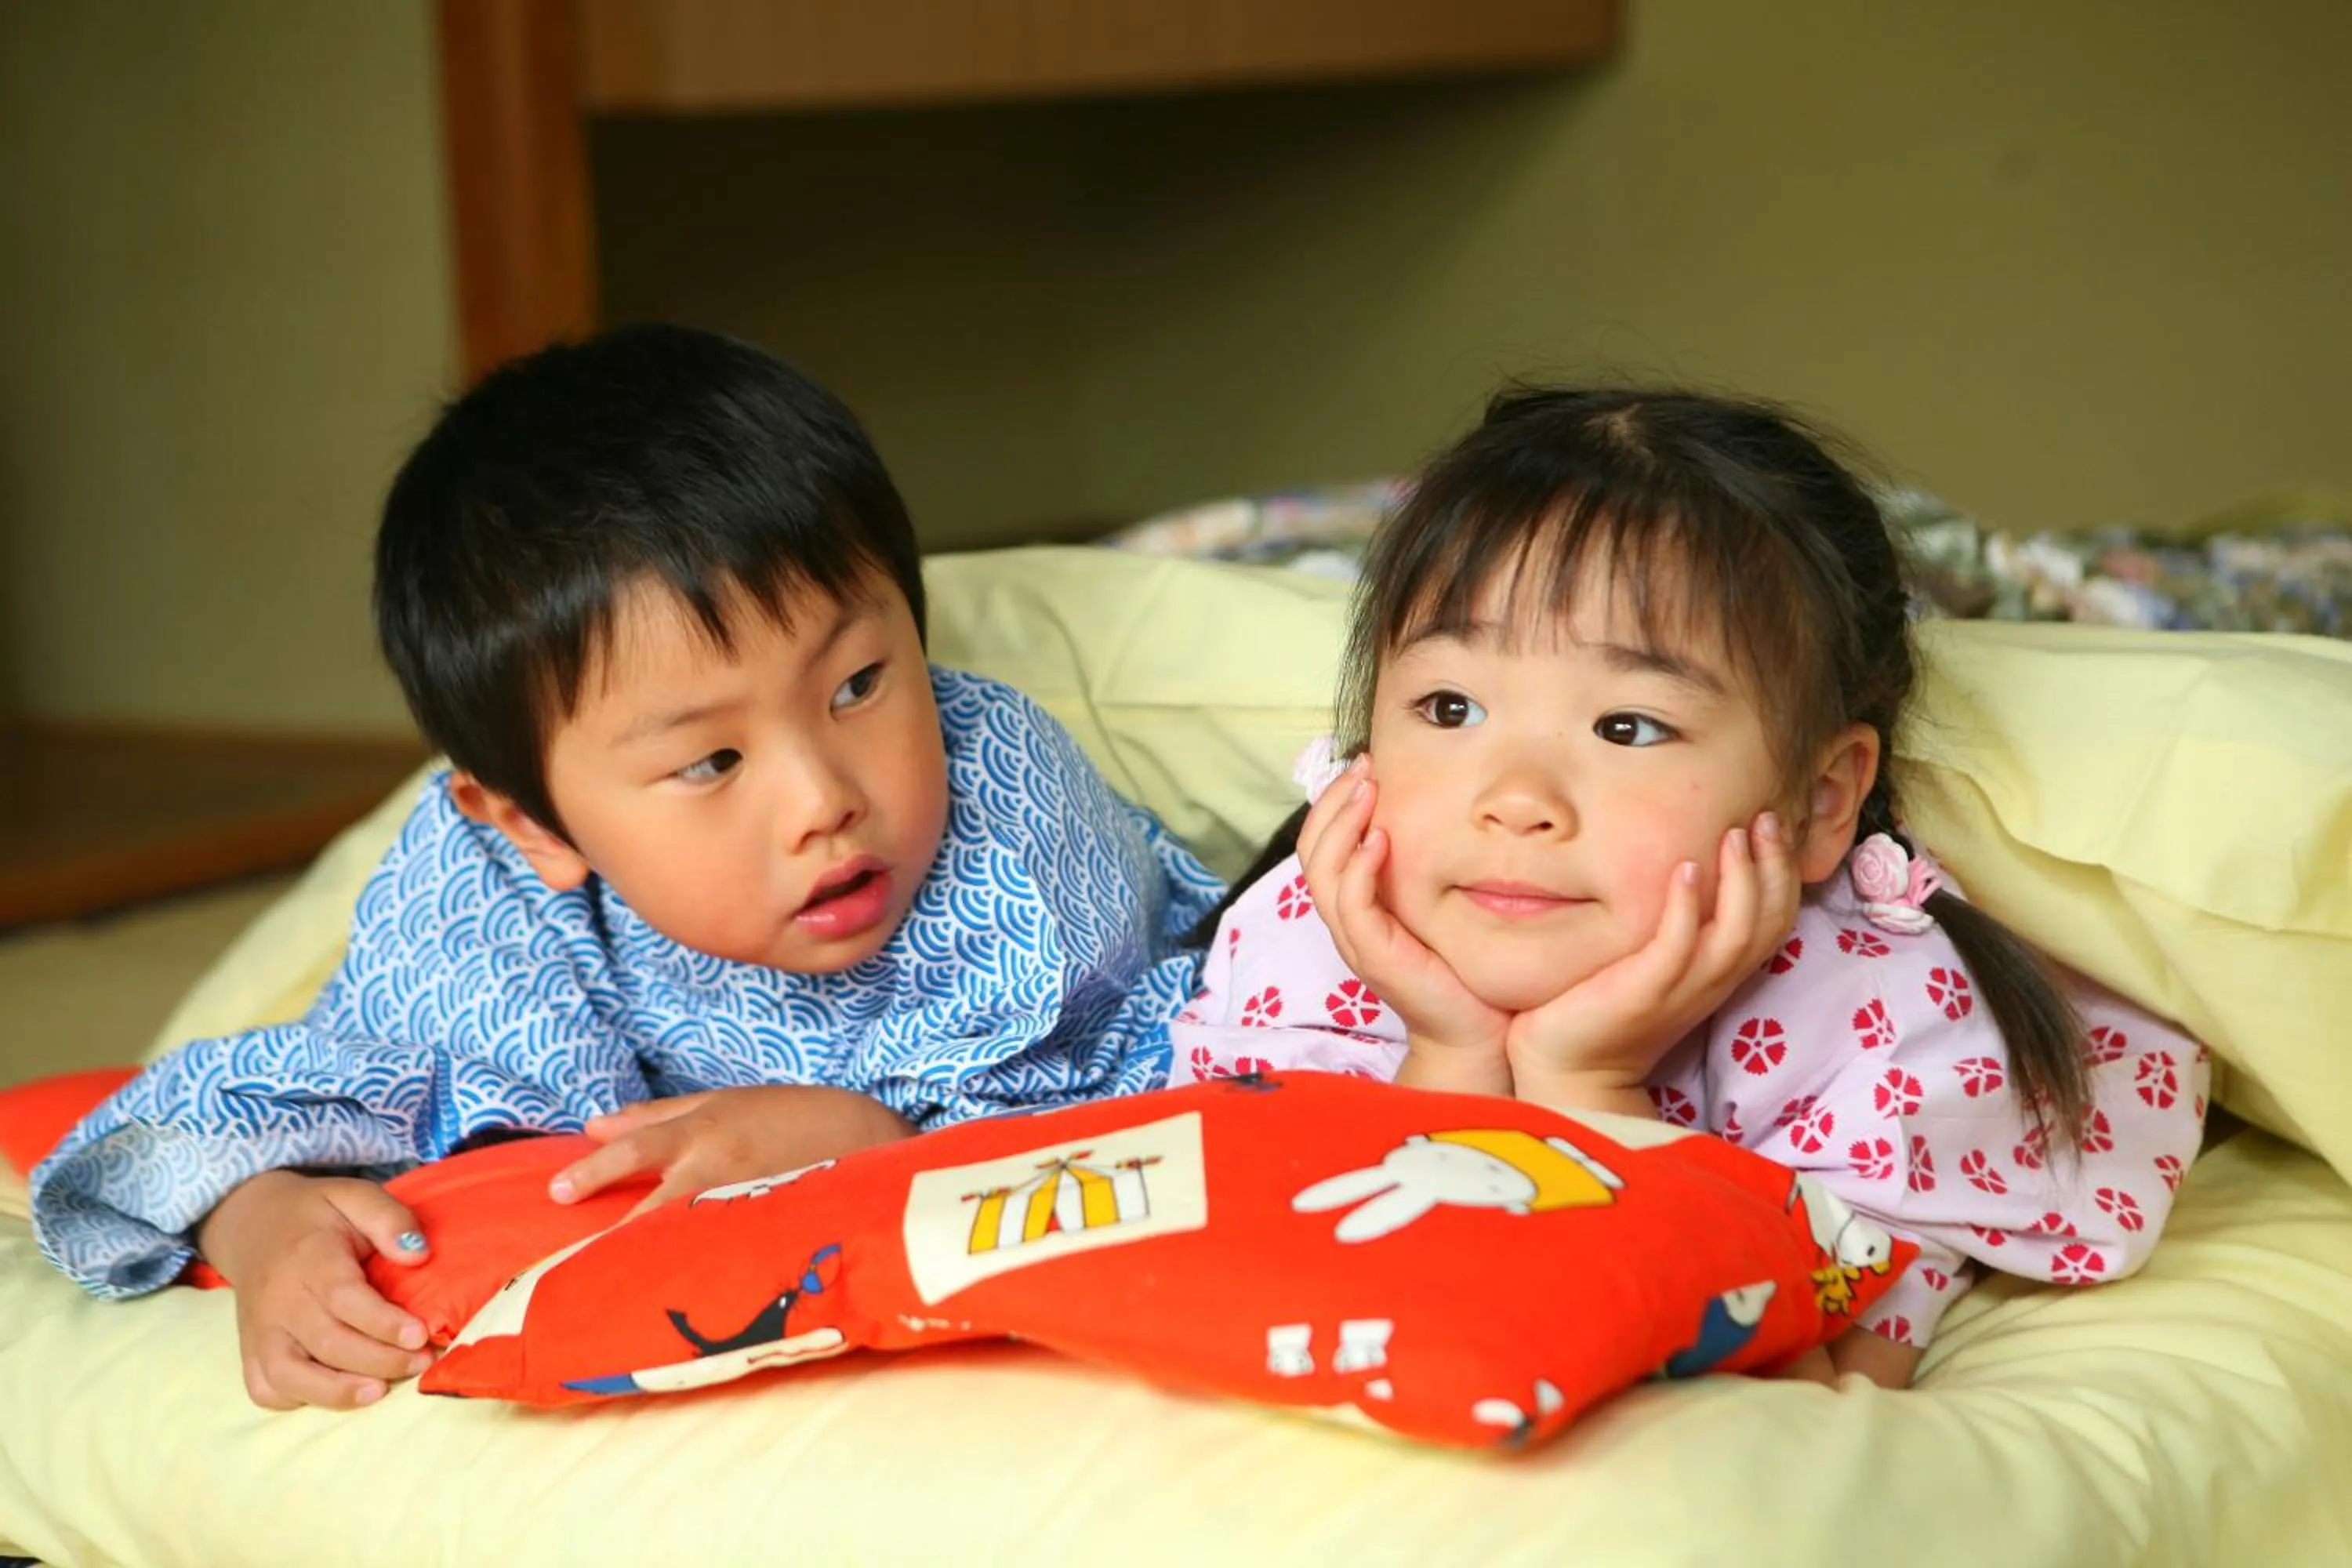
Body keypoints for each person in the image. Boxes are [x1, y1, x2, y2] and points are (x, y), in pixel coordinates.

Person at [31, 325, 1222, 1410]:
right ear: (535, 824)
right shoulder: (489, 893)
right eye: (711, 762)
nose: (826, 798)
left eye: (860, 684)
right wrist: (260, 1215)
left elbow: (1164, 1072)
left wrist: (872, 1135)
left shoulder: (1002, 790)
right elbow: (320, 1087)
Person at [1170, 385, 2207, 1388]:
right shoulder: (1311, 940)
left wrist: (1589, 1087)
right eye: (1449, 708)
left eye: (1627, 727)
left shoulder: (1883, 1029)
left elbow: (1798, 1392)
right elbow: (1329, 1305)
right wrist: (1452, 1055)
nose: (1516, 800)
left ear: (1816, 802)